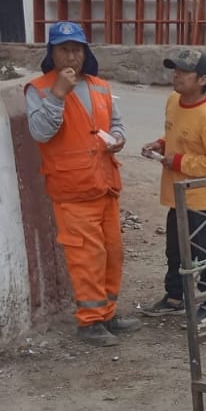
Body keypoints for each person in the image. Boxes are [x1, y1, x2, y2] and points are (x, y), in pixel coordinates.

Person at [24, 21, 140, 347]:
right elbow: (41, 133)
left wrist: (118, 138)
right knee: (86, 257)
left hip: (105, 185)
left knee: (112, 253)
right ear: (52, 53)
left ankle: (108, 313)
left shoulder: (100, 86)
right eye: (64, 50)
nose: (71, 57)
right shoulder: (40, 89)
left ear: (85, 53)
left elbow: (116, 124)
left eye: (77, 50)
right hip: (72, 191)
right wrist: (58, 95)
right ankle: (89, 322)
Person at [140, 50, 206, 329]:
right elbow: (176, 135)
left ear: (203, 79)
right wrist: (161, 145)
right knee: (175, 250)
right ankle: (175, 297)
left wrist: (179, 160)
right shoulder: (173, 101)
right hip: (177, 195)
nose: (176, 75)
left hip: (204, 199)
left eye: (184, 72)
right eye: (175, 69)